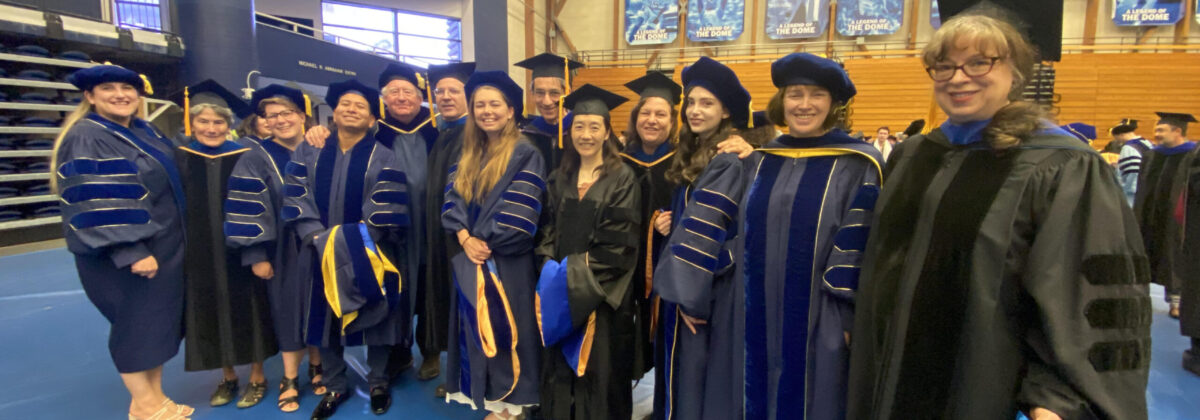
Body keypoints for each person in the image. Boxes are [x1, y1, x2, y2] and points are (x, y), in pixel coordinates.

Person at [847, 11, 1150, 420]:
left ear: (1017, 73)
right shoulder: (914, 154)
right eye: (945, 65)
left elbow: (1086, 293)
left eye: (979, 62)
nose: (958, 77)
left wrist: (1057, 398)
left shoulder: (1062, 164)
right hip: (888, 378)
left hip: (987, 387)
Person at [738, 52, 882, 420]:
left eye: (816, 94)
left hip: (823, 314)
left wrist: (847, 318)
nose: (804, 105)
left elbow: (862, 246)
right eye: (794, 94)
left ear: (833, 103)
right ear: (781, 101)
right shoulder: (761, 160)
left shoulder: (858, 164)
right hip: (756, 308)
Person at [54, 65, 194, 420]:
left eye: (127, 89)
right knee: (136, 325)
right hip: (128, 251)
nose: (120, 95)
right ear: (90, 96)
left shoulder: (143, 131)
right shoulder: (89, 135)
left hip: (163, 246)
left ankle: (151, 397)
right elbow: (98, 200)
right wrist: (130, 250)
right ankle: (147, 408)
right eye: (108, 89)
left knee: (158, 323)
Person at [283, 79, 412, 419]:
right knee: (324, 314)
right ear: (333, 113)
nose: (351, 109)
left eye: (360, 106)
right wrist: (315, 236)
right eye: (345, 104)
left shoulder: (384, 155)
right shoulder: (308, 152)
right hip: (318, 250)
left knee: (377, 312)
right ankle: (335, 384)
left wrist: (356, 241)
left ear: (372, 120)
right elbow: (296, 196)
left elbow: (385, 206)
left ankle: (378, 381)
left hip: (370, 250)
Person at [306, 63, 440, 382]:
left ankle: (432, 349)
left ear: (420, 97)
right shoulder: (374, 132)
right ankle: (398, 352)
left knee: (431, 284)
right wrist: (317, 131)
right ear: (382, 101)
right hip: (389, 227)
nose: (401, 97)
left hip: (430, 223)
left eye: (408, 91)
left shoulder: (439, 130)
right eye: (393, 92)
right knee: (396, 286)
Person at [652, 56, 752, 420]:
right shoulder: (699, 151)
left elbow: (717, 229)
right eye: (691, 102)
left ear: (726, 111)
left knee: (697, 378)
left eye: (707, 103)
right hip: (691, 285)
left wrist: (691, 299)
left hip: (705, 291)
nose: (695, 111)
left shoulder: (727, 159)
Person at [534, 84, 641, 420]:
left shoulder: (623, 178)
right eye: (579, 126)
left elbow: (619, 244)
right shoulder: (558, 177)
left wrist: (574, 282)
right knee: (558, 370)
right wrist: (551, 271)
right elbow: (545, 228)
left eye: (595, 127)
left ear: (607, 132)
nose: (586, 134)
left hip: (601, 298)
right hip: (559, 292)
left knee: (599, 371)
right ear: (570, 131)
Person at [442, 70, 544, 419]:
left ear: (511, 109)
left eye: (495, 104)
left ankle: (514, 407)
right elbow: (452, 200)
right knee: (477, 327)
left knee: (510, 327)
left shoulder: (525, 153)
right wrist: (464, 237)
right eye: (480, 105)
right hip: (472, 255)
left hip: (507, 261)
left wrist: (484, 241)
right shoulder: (468, 151)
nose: (487, 111)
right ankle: (492, 399)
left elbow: (522, 209)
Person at [175, 79, 278, 409]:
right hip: (200, 248)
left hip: (241, 245)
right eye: (203, 121)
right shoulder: (180, 158)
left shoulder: (246, 155)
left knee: (250, 305)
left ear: (230, 124)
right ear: (192, 124)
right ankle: (228, 375)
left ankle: (258, 376)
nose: (211, 128)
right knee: (211, 307)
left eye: (218, 121)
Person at [226, 84, 323, 413]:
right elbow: (246, 207)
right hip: (281, 249)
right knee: (286, 311)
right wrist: (256, 255)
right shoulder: (255, 157)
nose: (281, 120)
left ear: (302, 116)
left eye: (287, 113)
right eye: (272, 116)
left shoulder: (321, 149)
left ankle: (318, 365)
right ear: (263, 121)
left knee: (320, 306)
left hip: (321, 245)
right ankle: (290, 377)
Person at [619, 71, 683, 380]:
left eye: (661, 114)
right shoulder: (618, 160)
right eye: (645, 112)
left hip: (662, 263)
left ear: (672, 122)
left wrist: (675, 220)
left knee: (660, 330)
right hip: (623, 262)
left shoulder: (683, 162)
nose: (652, 120)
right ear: (635, 118)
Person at [423, 61, 476, 394]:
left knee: (465, 306)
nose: (444, 97)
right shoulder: (443, 133)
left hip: (462, 237)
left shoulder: (472, 134)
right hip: (440, 236)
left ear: (468, 96)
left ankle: (467, 377)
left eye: (453, 90)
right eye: (439, 91)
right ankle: (457, 373)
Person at [1136, 112, 1198, 320]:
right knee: (1143, 255)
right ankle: (1138, 300)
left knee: (1175, 259)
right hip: (1148, 216)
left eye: (1161, 130)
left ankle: (1176, 303)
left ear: (1177, 131)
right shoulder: (1152, 155)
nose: (1156, 134)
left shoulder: (1193, 155)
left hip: (1178, 220)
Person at [515, 52, 585, 171]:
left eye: (554, 93)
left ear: (567, 93)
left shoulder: (582, 131)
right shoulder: (527, 135)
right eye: (540, 93)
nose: (546, 102)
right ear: (532, 94)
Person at [1115, 118, 1152, 206]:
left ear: (1121, 135)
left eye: (1116, 138)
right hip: (1148, 188)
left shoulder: (1128, 148)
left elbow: (1132, 172)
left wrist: (1124, 190)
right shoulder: (1148, 143)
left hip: (1133, 193)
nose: (1117, 141)